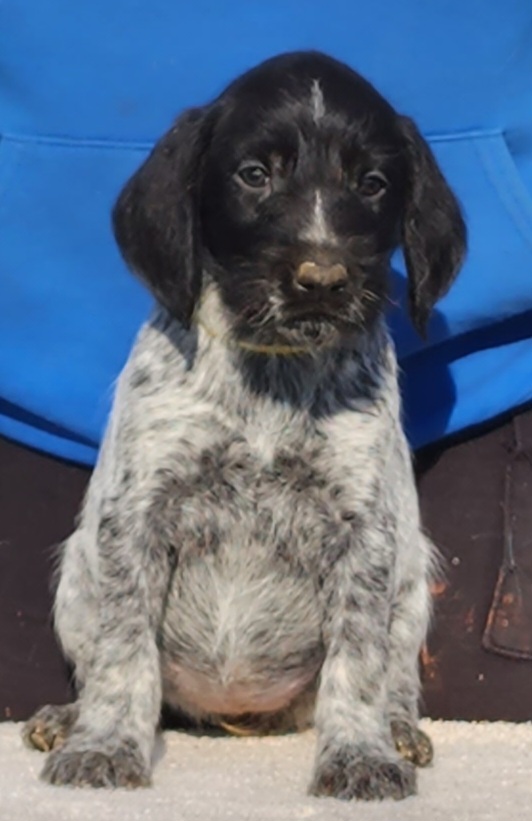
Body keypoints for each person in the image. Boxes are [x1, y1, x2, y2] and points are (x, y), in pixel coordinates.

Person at [1, 0, 532, 722]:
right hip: (25, 414)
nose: (320, 265)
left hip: (475, 422)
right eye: (258, 175)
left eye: (369, 184)